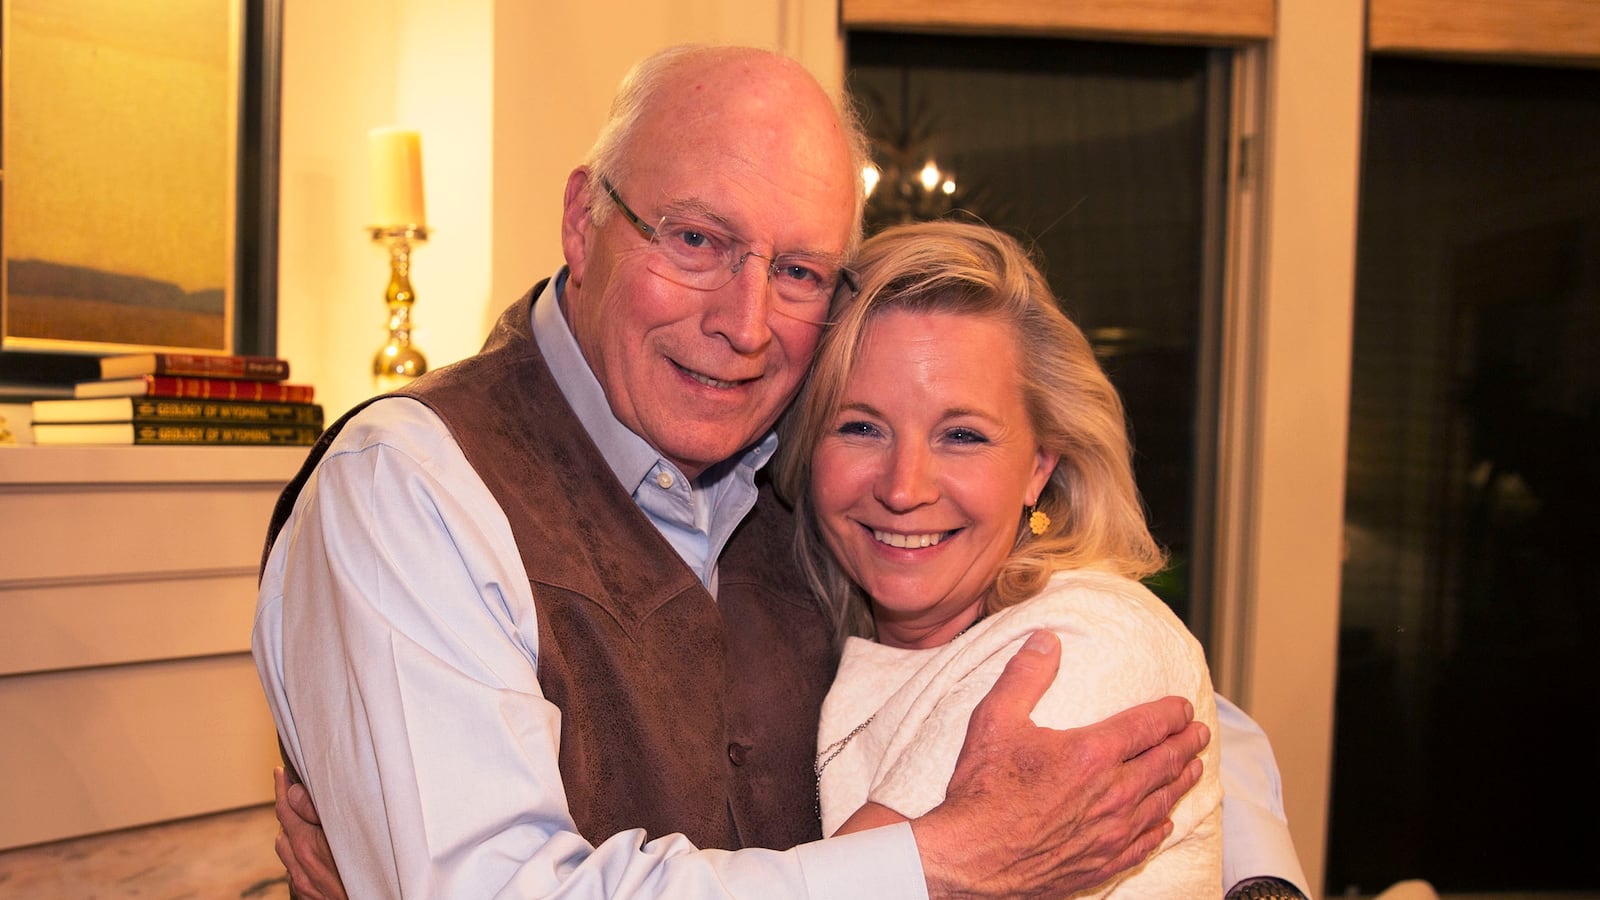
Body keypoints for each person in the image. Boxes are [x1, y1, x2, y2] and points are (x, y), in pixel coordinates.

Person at [254, 43, 1304, 899]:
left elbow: (1150, 692)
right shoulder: (409, 488)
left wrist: (1256, 882)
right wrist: (940, 863)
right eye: (696, 240)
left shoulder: (811, 445)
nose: (745, 323)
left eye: (798, 270)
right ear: (582, 221)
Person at [775, 220, 1220, 894]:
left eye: (962, 436)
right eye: (861, 427)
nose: (903, 488)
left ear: (1040, 465)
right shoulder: (821, 635)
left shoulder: (1086, 640)